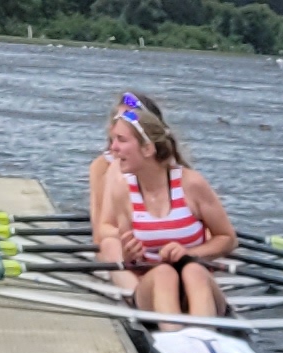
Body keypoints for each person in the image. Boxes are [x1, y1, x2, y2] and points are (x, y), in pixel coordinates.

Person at [90, 94, 233, 318]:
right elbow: (120, 249)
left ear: (148, 149)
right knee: (163, 272)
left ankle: (202, 331)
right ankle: (173, 332)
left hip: (195, 282)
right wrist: (129, 254)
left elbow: (228, 239)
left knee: (193, 270)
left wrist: (188, 252)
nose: (113, 148)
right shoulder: (122, 189)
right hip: (154, 282)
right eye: (113, 139)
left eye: (122, 140)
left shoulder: (192, 183)